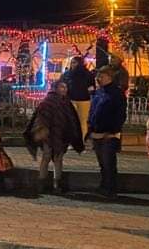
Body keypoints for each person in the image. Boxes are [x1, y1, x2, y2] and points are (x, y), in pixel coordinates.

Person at [23, 81, 84, 193]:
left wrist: (71, 133)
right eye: (62, 87)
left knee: (58, 159)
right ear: (55, 88)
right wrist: (43, 130)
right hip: (49, 136)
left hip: (62, 135)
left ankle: (57, 184)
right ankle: (42, 183)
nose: (65, 89)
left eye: (65, 87)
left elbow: (71, 119)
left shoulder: (66, 103)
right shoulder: (48, 102)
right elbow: (42, 118)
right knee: (47, 158)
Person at [87, 65, 127, 198]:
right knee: (102, 163)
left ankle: (111, 188)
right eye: (98, 76)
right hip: (97, 132)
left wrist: (113, 130)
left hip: (109, 134)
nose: (98, 78)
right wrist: (90, 126)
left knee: (109, 162)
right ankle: (104, 186)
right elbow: (93, 110)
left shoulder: (116, 93)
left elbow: (120, 114)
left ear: (109, 77)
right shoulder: (99, 92)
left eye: (101, 76)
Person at [60, 56, 95, 142]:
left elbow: (91, 86)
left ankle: (79, 140)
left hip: (82, 99)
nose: (73, 64)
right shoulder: (70, 74)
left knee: (81, 121)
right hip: (75, 99)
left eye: (75, 62)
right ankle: (76, 140)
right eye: (72, 62)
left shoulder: (85, 74)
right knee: (75, 121)